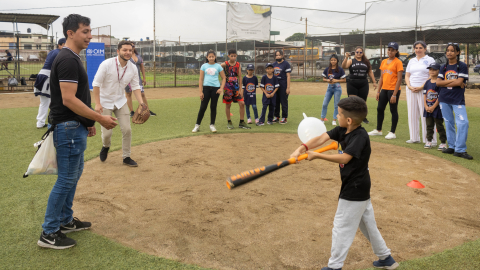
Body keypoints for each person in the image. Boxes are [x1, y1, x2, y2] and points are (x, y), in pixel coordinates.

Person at [290, 96, 399, 270]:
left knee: (341, 226)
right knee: (368, 225)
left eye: (338, 114)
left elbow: (345, 158)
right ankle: (386, 257)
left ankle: (334, 266)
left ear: (348, 120)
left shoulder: (360, 136)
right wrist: (301, 149)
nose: (336, 116)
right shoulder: (342, 130)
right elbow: (320, 138)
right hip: (358, 185)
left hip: (355, 187)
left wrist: (317, 155)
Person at [38, 14, 117, 250]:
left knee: (73, 175)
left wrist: (87, 122)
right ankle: (49, 232)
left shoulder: (72, 57)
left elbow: (76, 98)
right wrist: (99, 118)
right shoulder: (68, 59)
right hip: (68, 128)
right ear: (70, 33)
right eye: (85, 31)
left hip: (75, 126)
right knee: (66, 179)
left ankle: (65, 220)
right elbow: (69, 99)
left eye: (90, 31)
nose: (90, 36)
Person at [92, 40, 145, 167]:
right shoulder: (106, 64)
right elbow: (96, 84)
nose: (127, 52)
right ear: (118, 51)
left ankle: (126, 157)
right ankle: (105, 146)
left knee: (127, 130)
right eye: (124, 50)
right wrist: (98, 103)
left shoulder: (132, 68)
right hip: (105, 102)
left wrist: (142, 103)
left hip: (121, 102)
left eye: (130, 50)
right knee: (107, 134)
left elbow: (136, 86)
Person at [436, 43, 473, 160]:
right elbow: (438, 83)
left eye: (452, 51)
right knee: (448, 122)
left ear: (458, 53)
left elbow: (459, 82)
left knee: (463, 123)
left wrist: (446, 82)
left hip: (457, 100)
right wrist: (455, 82)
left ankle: (460, 149)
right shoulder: (444, 66)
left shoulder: (461, 66)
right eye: (448, 50)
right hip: (444, 98)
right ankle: (452, 146)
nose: (449, 53)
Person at [368, 42, 404, 140]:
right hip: (384, 89)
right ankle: (378, 130)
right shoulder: (384, 61)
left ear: (396, 51)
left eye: (393, 50)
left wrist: (394, 94)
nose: (390, 51)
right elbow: (382, 77)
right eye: (389, 49)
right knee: (380, 108)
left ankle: (393, 132)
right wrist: (378, 91)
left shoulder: (398, 62)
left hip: (393, 90)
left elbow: (400, 79)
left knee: (393, 110)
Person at [405, 41, 436, 144]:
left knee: (426, 114)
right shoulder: (412, 60)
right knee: (412, 114)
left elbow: (432, 74)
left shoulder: (430, 59)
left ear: (425, 49)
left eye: (420, 48)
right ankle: (414, 138)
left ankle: (430, 139)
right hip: (411, 90)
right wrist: (409, 86)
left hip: (424, 89)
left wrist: (422, 86)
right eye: (416, 48)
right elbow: (407, 75)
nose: (418, 50)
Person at [34, 38, 66, 128]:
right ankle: (55, 121)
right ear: (62, 44)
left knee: (45, 101)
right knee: (54, 100)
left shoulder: (53, 52)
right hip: (48, 76)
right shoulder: (59, 53)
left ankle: (40, 123)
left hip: (42, 75)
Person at [192, 49, 226, 133]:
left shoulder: (218, 66)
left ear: (215, 57)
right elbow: (200, 79)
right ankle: (197, 125)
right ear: (207, 57)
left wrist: (221, 88)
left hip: (215, 89)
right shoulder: (204, 66)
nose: (211, 58)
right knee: (203, 107)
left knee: (213, 107)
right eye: (210, 56)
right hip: (206, 88)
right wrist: (200, 91)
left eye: (213, 56)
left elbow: (224, 78)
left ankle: (212, 125)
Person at [342, 46, 377, 124]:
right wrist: (346, 58)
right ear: (355, 53)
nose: (358, 53)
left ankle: (363, 117)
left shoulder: (366, 62)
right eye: (357, 52)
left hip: (363, 83)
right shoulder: (351, 61)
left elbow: (370, 72)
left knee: (363, 102)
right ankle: (351, 118)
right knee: (352, 102)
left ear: (362, 53)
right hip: (352, 83)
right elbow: (344, 66)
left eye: (360, 52)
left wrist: (374, 82)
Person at [125, 42, 156, 117]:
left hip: (137, 78)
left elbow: (142, 66)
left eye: (133, 46)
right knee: (128, 94)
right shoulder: (125, 56)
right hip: (127, 79)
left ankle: (146, 110)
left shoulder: (138, 56)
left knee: (142, 94)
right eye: (131, 46)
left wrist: (144, 77)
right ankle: (132, 112)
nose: (132, 47)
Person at [221, 49, 250, 129]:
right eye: (231, 56)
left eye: (234, 56)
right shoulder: (225, 64)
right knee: (228, 104)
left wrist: (240, 89)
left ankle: (241, 122)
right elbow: (218, 68)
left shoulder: (238, 64)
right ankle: (229, 122)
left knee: (242, 103)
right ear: (228, 56)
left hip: (236, 87)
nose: (233, 57)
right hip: (227, 87)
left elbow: (240, 77)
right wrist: (223, 76)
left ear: (236, 56)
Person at [422, 63, 447, 150]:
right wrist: (426, 106)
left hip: (437, 108)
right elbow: (425, 95)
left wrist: (433, 107)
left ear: (438, 71)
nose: (432, 71)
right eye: (430, 69)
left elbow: (440, 96)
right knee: (429, 125)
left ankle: (443, 142)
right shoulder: (427, 82)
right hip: (428, 108)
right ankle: (429, 141)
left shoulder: (439, 82)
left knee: (439, 125)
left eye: (434, 70)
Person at [321, 54, 346, 126]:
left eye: (334, 60)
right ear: (330, 61)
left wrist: (336, 80)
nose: (333, 61)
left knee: (336, 105)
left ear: (337, 61)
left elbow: (344, 80)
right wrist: (327, 80)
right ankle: (322, 119)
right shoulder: (327, 69)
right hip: (329, 88)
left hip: (337, 88)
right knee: (324, 104)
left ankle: (334, 120)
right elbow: (323, 79)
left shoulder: (340, 69)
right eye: (332, 60)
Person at [272, 50, 291, 124]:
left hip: (283, 86)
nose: (278, 57)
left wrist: (288, 88)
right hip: (275, 87)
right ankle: (276, 117)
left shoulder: (286, 64)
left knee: (283, 102)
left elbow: (288, 76)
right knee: (276, 102)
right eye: (276, 55)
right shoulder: (274, 64)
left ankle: (284, 118)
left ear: (282, 55)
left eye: (279, 55)